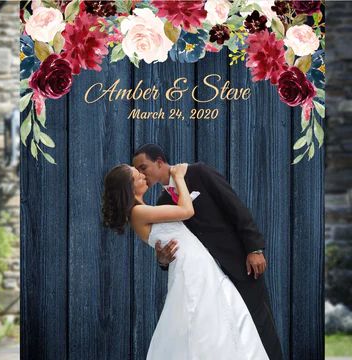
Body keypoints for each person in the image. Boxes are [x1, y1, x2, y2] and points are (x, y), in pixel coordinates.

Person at [102, 163, 269, 359]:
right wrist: (179, 177)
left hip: (201, 266)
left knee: (221, 317)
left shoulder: (146, 209)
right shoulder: (138, 213)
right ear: (128, 187)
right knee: (201, 321)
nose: (142, 176)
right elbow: (187, 210)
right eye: (136, 175)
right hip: (191, 270)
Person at [132, 144, 284, 360]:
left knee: (259, 326)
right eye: (137, 170)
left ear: (159, 162)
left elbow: (235, 207)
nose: (141, 174)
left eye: (143, 167)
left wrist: (254, 248)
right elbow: (175, 242)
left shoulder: (199, 173)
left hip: (239, 263)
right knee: (229, 335)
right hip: (207, 280)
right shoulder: (162, 203)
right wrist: (163, 261)